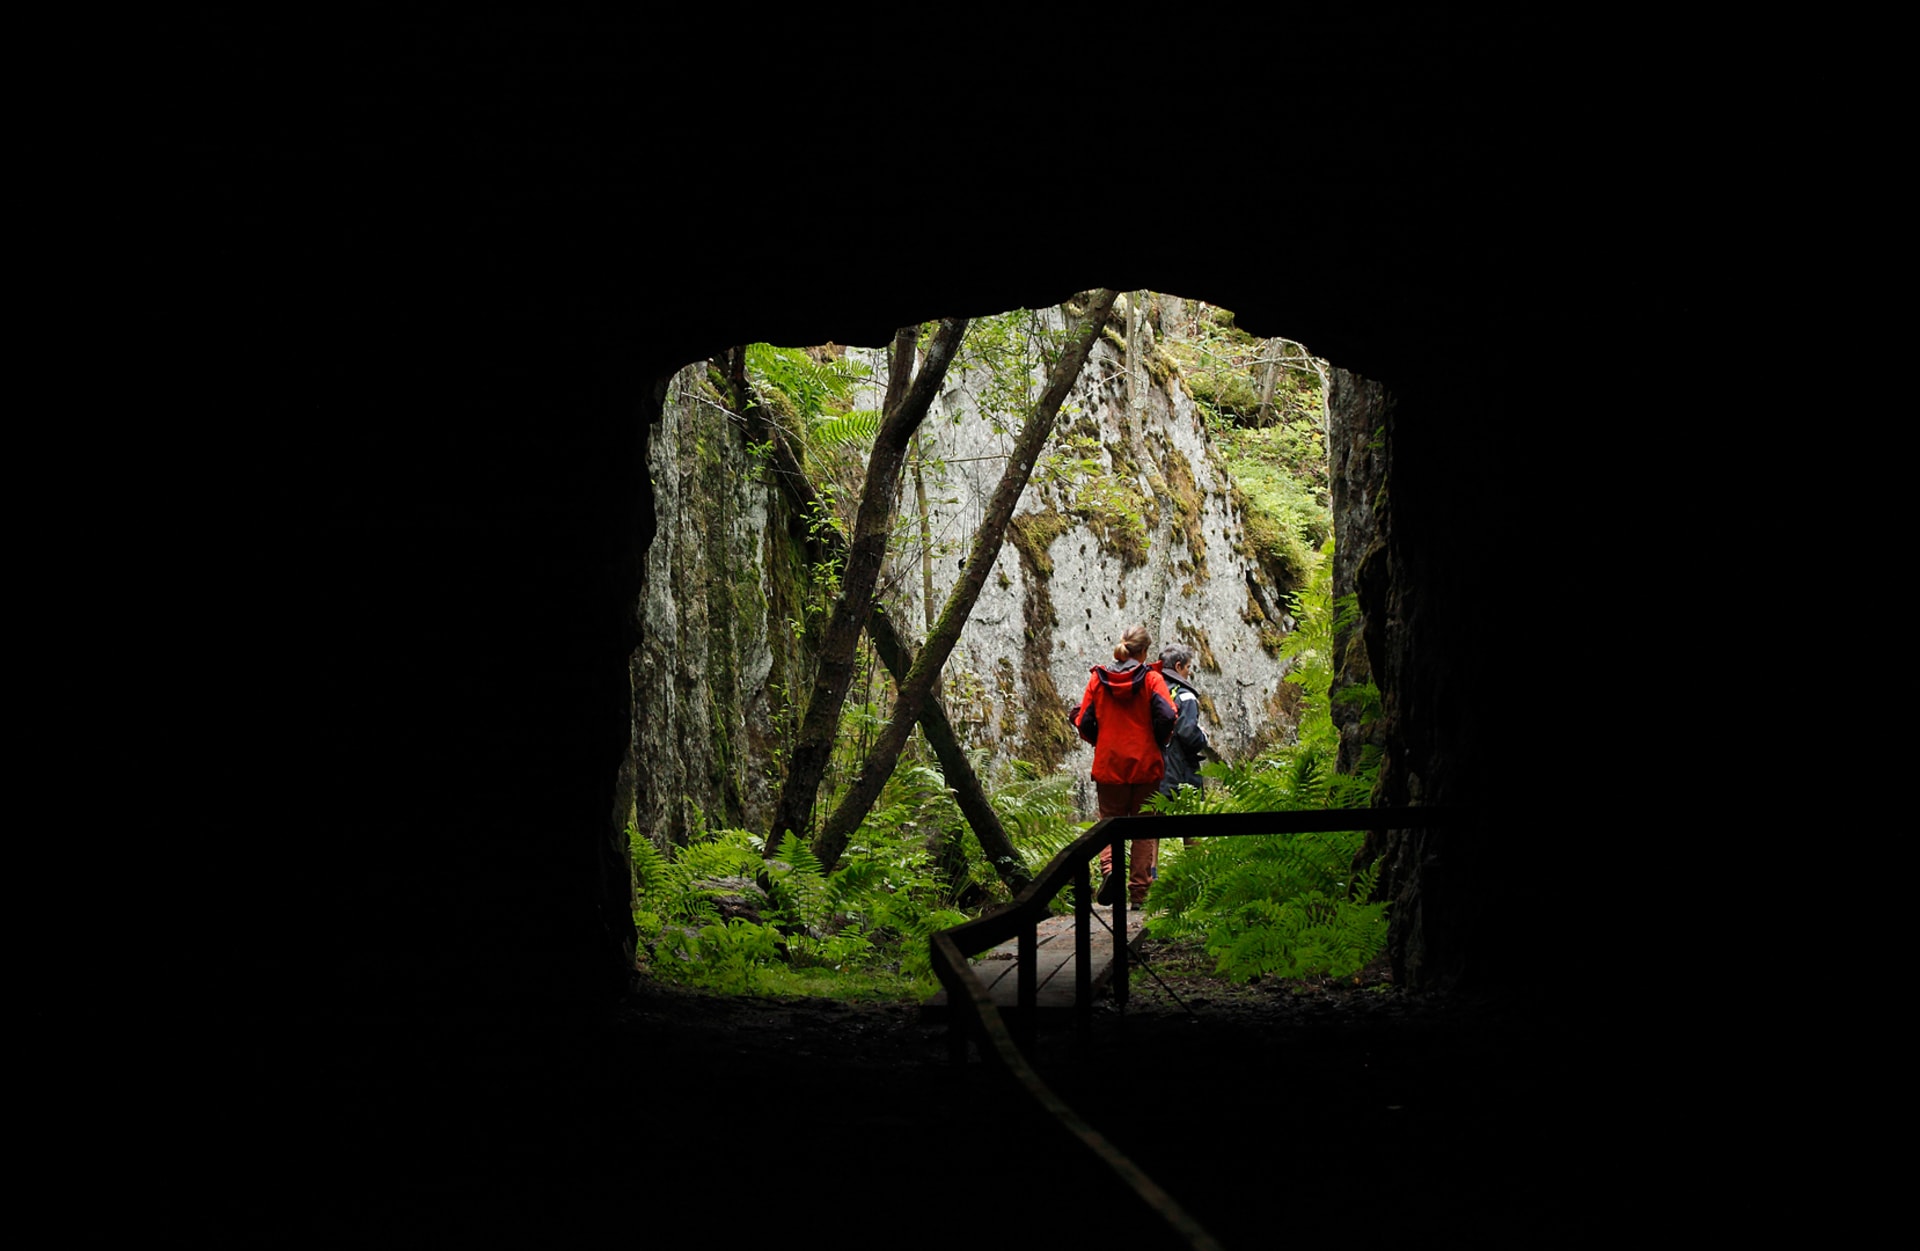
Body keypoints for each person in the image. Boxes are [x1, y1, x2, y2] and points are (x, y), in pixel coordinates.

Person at [1071, 623, 1177, 908]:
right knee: (1143, 829)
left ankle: (1110, 871)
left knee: (1109, 823)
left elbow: (1084, 720)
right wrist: (1157, 740)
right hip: (1146, 764)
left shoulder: (1098, 680)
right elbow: (1168, 715)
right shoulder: (1152, 679)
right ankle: (1139, 894)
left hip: (1109, 764)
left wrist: (1101, 740)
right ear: (1144, 652)